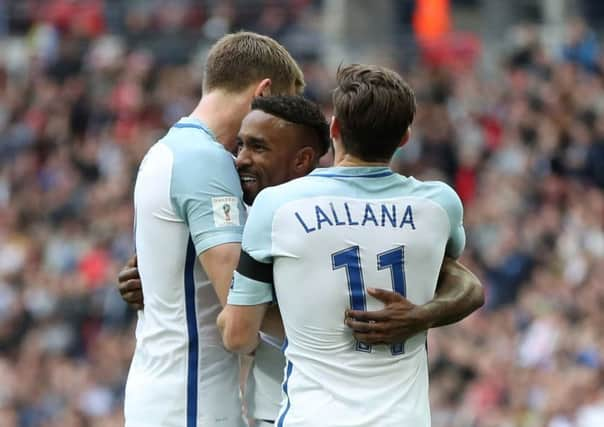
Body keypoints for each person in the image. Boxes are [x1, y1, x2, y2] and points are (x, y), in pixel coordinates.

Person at [119, 95, 483, 425]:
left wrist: (422, 315)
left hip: (297, 406)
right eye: (239, 145)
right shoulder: (239, 219)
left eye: (258, 147)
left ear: (302, 159)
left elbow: (466, 284)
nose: (240, 158)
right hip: (280, 406)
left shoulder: (316, 216)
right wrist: (160, 275)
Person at [218, 64, 466, 426]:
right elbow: (454, 274)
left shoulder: (278, 207)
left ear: (334, 128)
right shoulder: (440, 205)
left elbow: (239, 335)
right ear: (405, 138)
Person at [124, 32, 305, 427]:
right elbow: (239, 306)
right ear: (264, 92)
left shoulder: (168, 150)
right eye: (282, 110)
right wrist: (336, 334)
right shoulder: (206, 162)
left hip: (167, 390)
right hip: (191, 398)